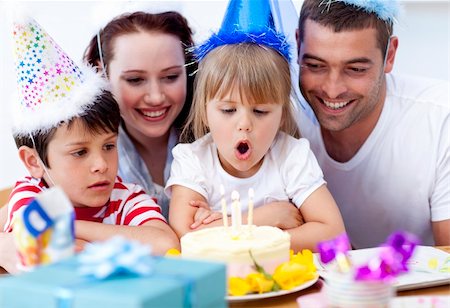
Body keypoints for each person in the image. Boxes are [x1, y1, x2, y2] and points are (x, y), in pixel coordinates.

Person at [0, 16, 179, 273]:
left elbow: (166, 244)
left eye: (108, 146)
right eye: (80, 152)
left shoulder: (127, 198)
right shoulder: (31, 198)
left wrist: (68, 226)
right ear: (33, 162)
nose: (101, 165)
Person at [166, 0, 345, 252]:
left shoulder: (292, 156)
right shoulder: (193, 160)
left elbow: (335, 236)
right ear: (205, 112)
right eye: (228, 110)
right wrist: (266, 219)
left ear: (282, 115)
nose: (244, 124)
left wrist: (222, 229)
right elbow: (187, 238)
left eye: (260, 111)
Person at [296, 0, 450, 248]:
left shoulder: (442, 120)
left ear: (390, 55)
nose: (332, 90)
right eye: (315, 66)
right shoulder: (273, 116)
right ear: (297, 44)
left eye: (355, 69)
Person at [83, 11, 197, 220]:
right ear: (102, 73)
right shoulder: (77, 151)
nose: (155, 97)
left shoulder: (220, 136)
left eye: (171, 77)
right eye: (135, 79)